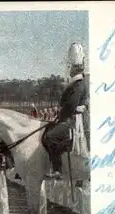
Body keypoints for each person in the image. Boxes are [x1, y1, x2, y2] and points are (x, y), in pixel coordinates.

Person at [42, 42, 89, 179]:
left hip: (72, 121)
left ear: (76, 70)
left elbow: (70, 106)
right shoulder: (76, 84)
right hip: (68, 118)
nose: (69, 70)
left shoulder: (78, 85)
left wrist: (59, 116)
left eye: (71, 68)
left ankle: (58, 169)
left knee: (50, 137)